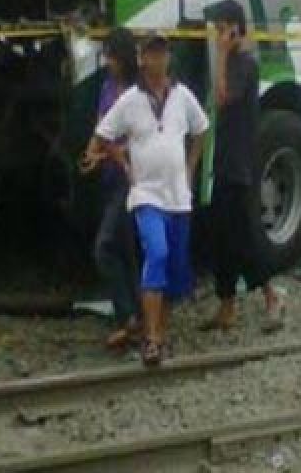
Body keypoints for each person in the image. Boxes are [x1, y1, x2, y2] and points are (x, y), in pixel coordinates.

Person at [87, 33, 209, 367]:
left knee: (175, 268)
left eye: (161, 53)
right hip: (146, 195)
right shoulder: (129, 100)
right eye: (150, 54)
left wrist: (190, 168)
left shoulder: (182, 96)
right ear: (141, 59)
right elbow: (99, 138)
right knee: (156, 252)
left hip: (178, 197)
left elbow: (201, 130)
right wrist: (122, 159)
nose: (156, 59)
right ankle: (152, 339)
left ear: (168, 57)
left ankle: (160, 330)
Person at [200, 0, 285, 332]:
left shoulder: (245, 64)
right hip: (223, 159)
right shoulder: (231, 62)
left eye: (222, 29)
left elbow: (222, 97)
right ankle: (227, 304)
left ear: (235, 29)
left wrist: (220, 53)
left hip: (238, 162)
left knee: (242, 234)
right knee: (219, 233)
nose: (218, 36)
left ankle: (271, 295)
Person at [80, 28, 141, 350]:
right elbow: (102, 127)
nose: (108, 63)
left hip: (129, 180)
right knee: (125, 249)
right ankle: (136, 317)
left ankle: (128, 316)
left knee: (105, 247)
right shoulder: (107, 88)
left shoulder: (136, 93)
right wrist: (95, 153)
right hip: (110, 178)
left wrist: (107, 153)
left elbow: (138, 140)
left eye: (112, 57)